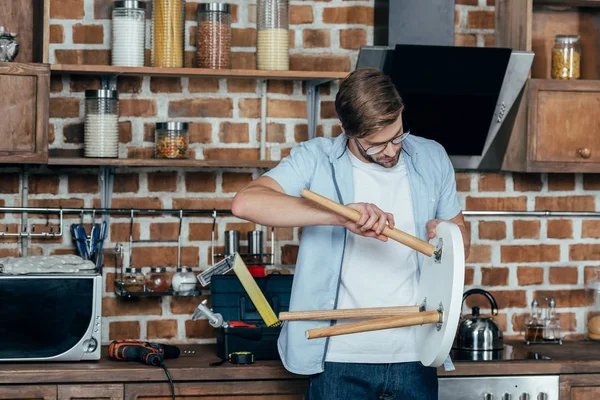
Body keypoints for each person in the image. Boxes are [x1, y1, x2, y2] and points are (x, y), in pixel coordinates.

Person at [232, 68, 470, 400]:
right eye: (376, 145)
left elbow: (460, 237)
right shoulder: (316, 158)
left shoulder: (431, 156)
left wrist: (446, 235)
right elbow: (246, 202)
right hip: (338, 360)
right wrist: (338, 215)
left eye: (397, 135)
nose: (390, 151)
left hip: (417, 354)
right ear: (347, 131)